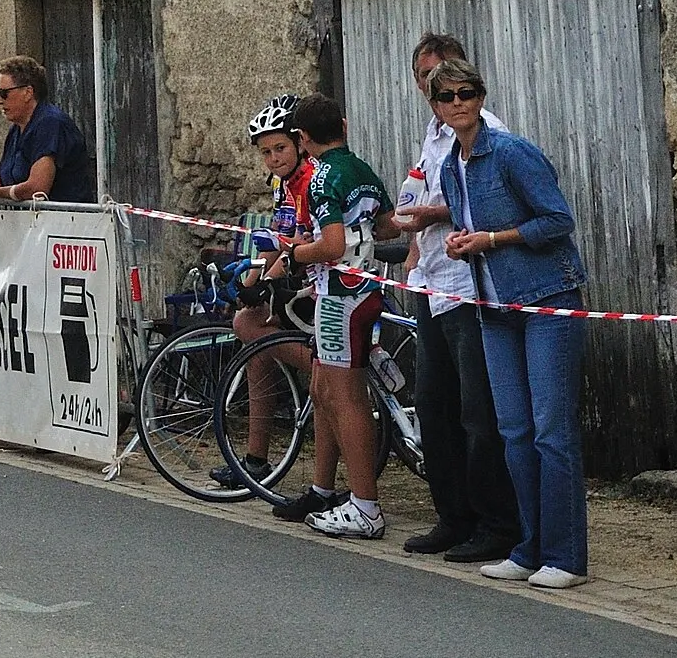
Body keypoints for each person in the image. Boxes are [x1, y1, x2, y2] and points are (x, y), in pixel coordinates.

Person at [430, 57, 591, 588]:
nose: (459, 102)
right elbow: (469, 227)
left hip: (546, 298)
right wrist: (462, 246)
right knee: (513, 431)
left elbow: (557, 220)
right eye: (447, 96)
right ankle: (528, 548)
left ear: (480, 95)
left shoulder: (512, 151)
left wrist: (494, 240)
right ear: (435, 107)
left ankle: (564, 556)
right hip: (493, 306)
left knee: (551, 432)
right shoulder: (451, 164)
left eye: (467, 92)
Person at [383, 32, 519, 563]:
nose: (438, 91)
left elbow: (494, 208)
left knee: (477, 415)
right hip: (431, 282)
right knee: (434, 408)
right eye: (426, 79)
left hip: (469, 288)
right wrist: (415, 241)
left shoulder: (493, 136)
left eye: (446, 79)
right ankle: (452, 517)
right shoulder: (433, 134)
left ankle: (495, 523)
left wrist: (433, 217)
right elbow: (422, 194)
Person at [276, 93, 393, 543]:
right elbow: (385, 226)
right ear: (343, 125)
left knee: (346, 398)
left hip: (340, 295)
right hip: (365, 289)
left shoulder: (321, 177)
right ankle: (331, 492)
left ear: (303, 139)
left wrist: (291, 254)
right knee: (324, 389)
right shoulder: (360, 166)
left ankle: (366, 506)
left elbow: (330, 245)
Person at [216, 96, 317, 490]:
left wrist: (266, 280)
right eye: (266, 152)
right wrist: (249, 281)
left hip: (318, 278)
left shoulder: (309, 178)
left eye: (280, 149)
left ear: (299, 143)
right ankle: (256, 460)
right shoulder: (282, 183)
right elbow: (277, 240)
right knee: (252, 335)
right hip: (294, 277)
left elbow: (301, 243)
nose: (273, 158)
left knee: (250, 327)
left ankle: (325, 372)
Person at [0, 57, 94, 207]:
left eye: (4, 93)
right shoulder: (16, 129)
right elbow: (5, 180)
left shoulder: (50, 124)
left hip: (64, 223)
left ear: (28, 92)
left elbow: (37, 188)